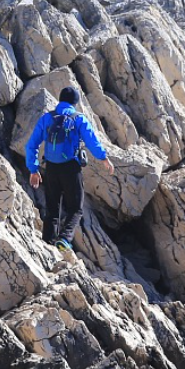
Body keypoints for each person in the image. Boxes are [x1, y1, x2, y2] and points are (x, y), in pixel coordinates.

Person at [25, 86, 114, 251]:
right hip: (70, 168)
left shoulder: (47, 118)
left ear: (59, 100)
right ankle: (65, 239)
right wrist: (103, 158)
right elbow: (91, 141)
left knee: (52, 209)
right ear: (75, 102)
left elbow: (31, 145)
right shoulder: (79, 118)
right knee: (76, 208)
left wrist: (33, 169)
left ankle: (47, 244)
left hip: (51, 167)